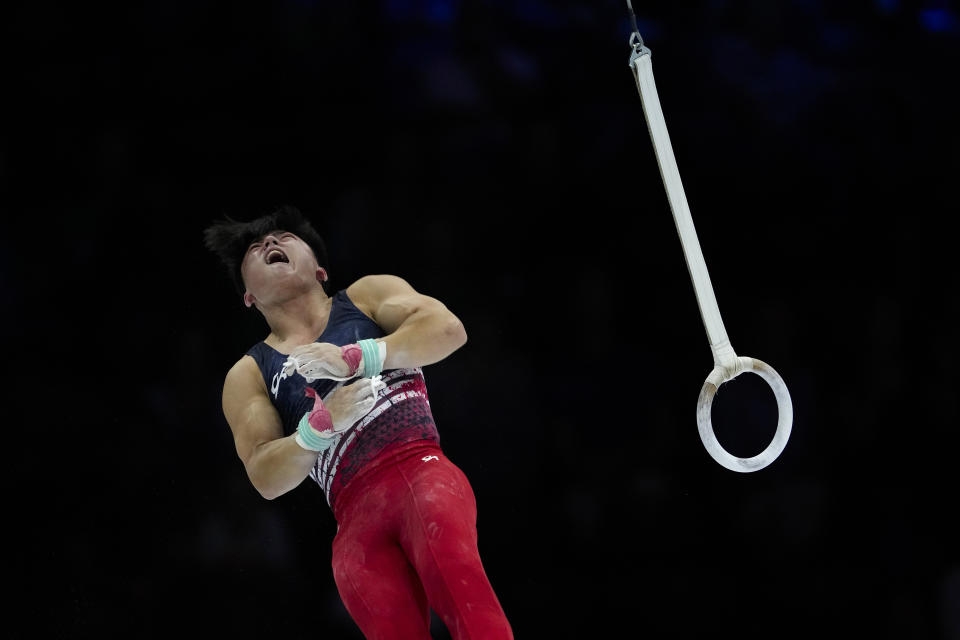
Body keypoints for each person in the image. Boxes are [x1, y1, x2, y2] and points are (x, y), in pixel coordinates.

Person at [203, 205, 513, 640]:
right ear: (248, 297)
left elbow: (447, 329)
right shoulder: (250, 373)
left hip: (421, 475)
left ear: (320, 269)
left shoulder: (366, 297)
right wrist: (317, 429)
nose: (271, 243)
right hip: (354, 524)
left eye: (284, 237)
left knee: (465, 599)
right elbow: (264, 475)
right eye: (255, 248)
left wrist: (358, 357)